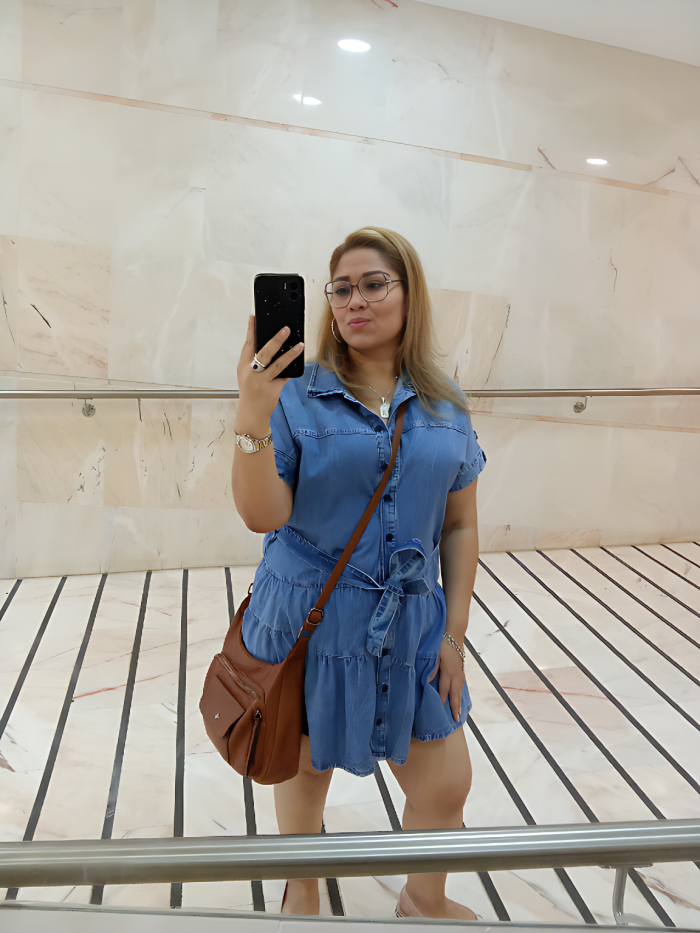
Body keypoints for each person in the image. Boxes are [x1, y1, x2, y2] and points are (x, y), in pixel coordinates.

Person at [232, 227, 486, 919]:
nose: (355, 301)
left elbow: (459, 523)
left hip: (410, 626)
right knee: (302, 769)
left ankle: (423, 899)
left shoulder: (445, 403)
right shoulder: (295, 395)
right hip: (310, 616)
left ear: (409, 293)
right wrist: (253, 412)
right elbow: (262, 514)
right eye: (341, 288)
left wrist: (455, 633)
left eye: (374, 284)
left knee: (444, 784)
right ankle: (302, 891)